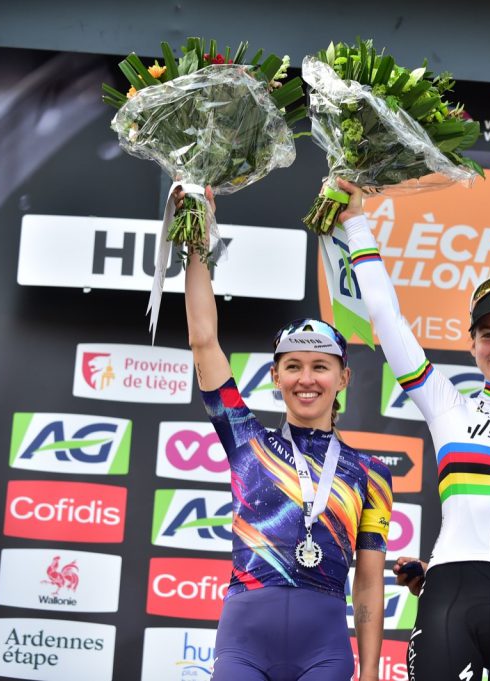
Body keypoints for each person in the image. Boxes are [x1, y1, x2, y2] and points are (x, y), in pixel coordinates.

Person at [335, 179, 490, 681]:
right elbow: (388, 320)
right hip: (449, 595)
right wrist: (356, 223)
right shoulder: (446, 406)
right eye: (488, 334)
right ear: (471, 343)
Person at [181, 186, 393, 681]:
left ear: (343, 377)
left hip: (324, 652)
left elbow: (367, 582)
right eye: (293, 366)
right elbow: (203, 340)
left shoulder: (370, 473)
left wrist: (369, 670)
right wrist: (197, 241)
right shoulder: (246, 440)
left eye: (320, 366)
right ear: (275, 377)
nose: (306, 379)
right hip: (243, 646)